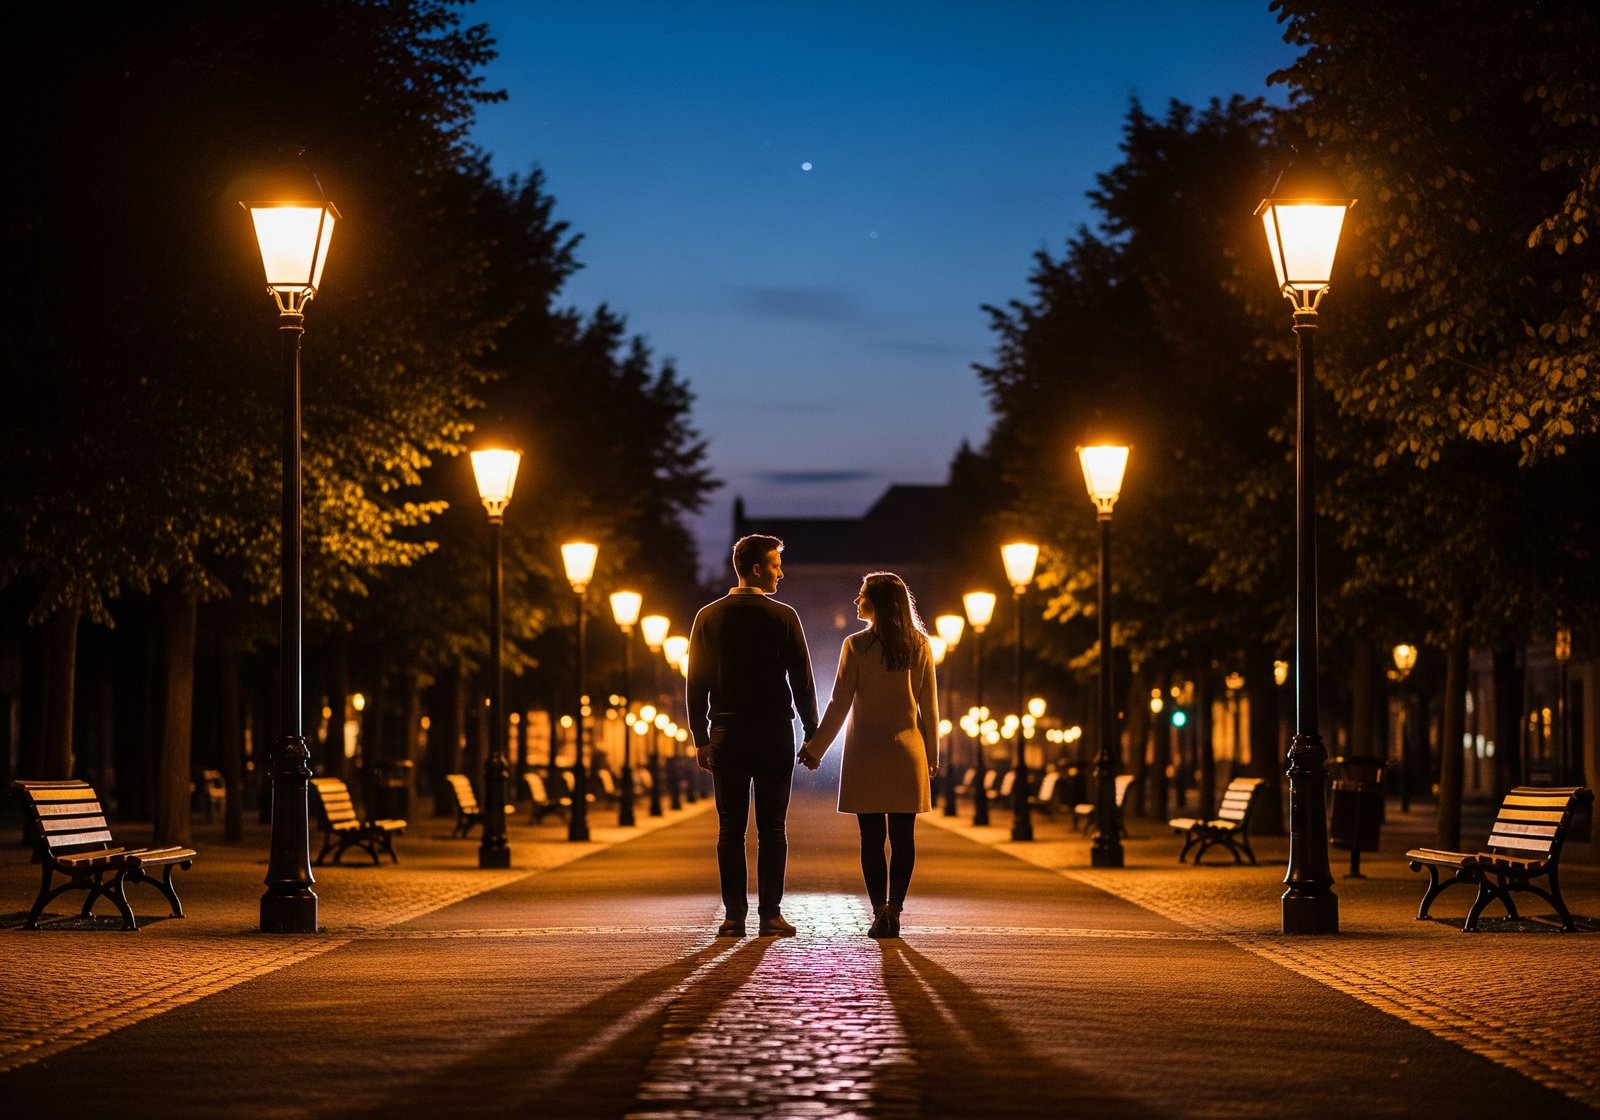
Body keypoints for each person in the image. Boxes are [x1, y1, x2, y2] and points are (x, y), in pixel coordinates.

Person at [687, 534, 819, 938]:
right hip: (774, 731)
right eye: (776, 564)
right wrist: (812, 732)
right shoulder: (784, 617)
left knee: (730, 828)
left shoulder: (708, 617)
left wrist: (701, 735)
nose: (781, 572)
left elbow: (697, 681)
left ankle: (733, 917)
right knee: (773, 829)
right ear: (758, 569)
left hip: (727, 731)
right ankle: (771, 915)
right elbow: (802, 680)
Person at [799, 571, 938, 939]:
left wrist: (815, 748)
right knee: (904, 838)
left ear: (876, 603)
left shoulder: (856, 645)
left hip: (865, 751)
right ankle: (895, 909)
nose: (856, 601)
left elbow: (839, 702)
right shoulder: (920, 645)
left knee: (871, 839)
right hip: (908, 750)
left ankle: (879, 910)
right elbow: (929, 707)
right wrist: (934, 754)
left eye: (862, 596)